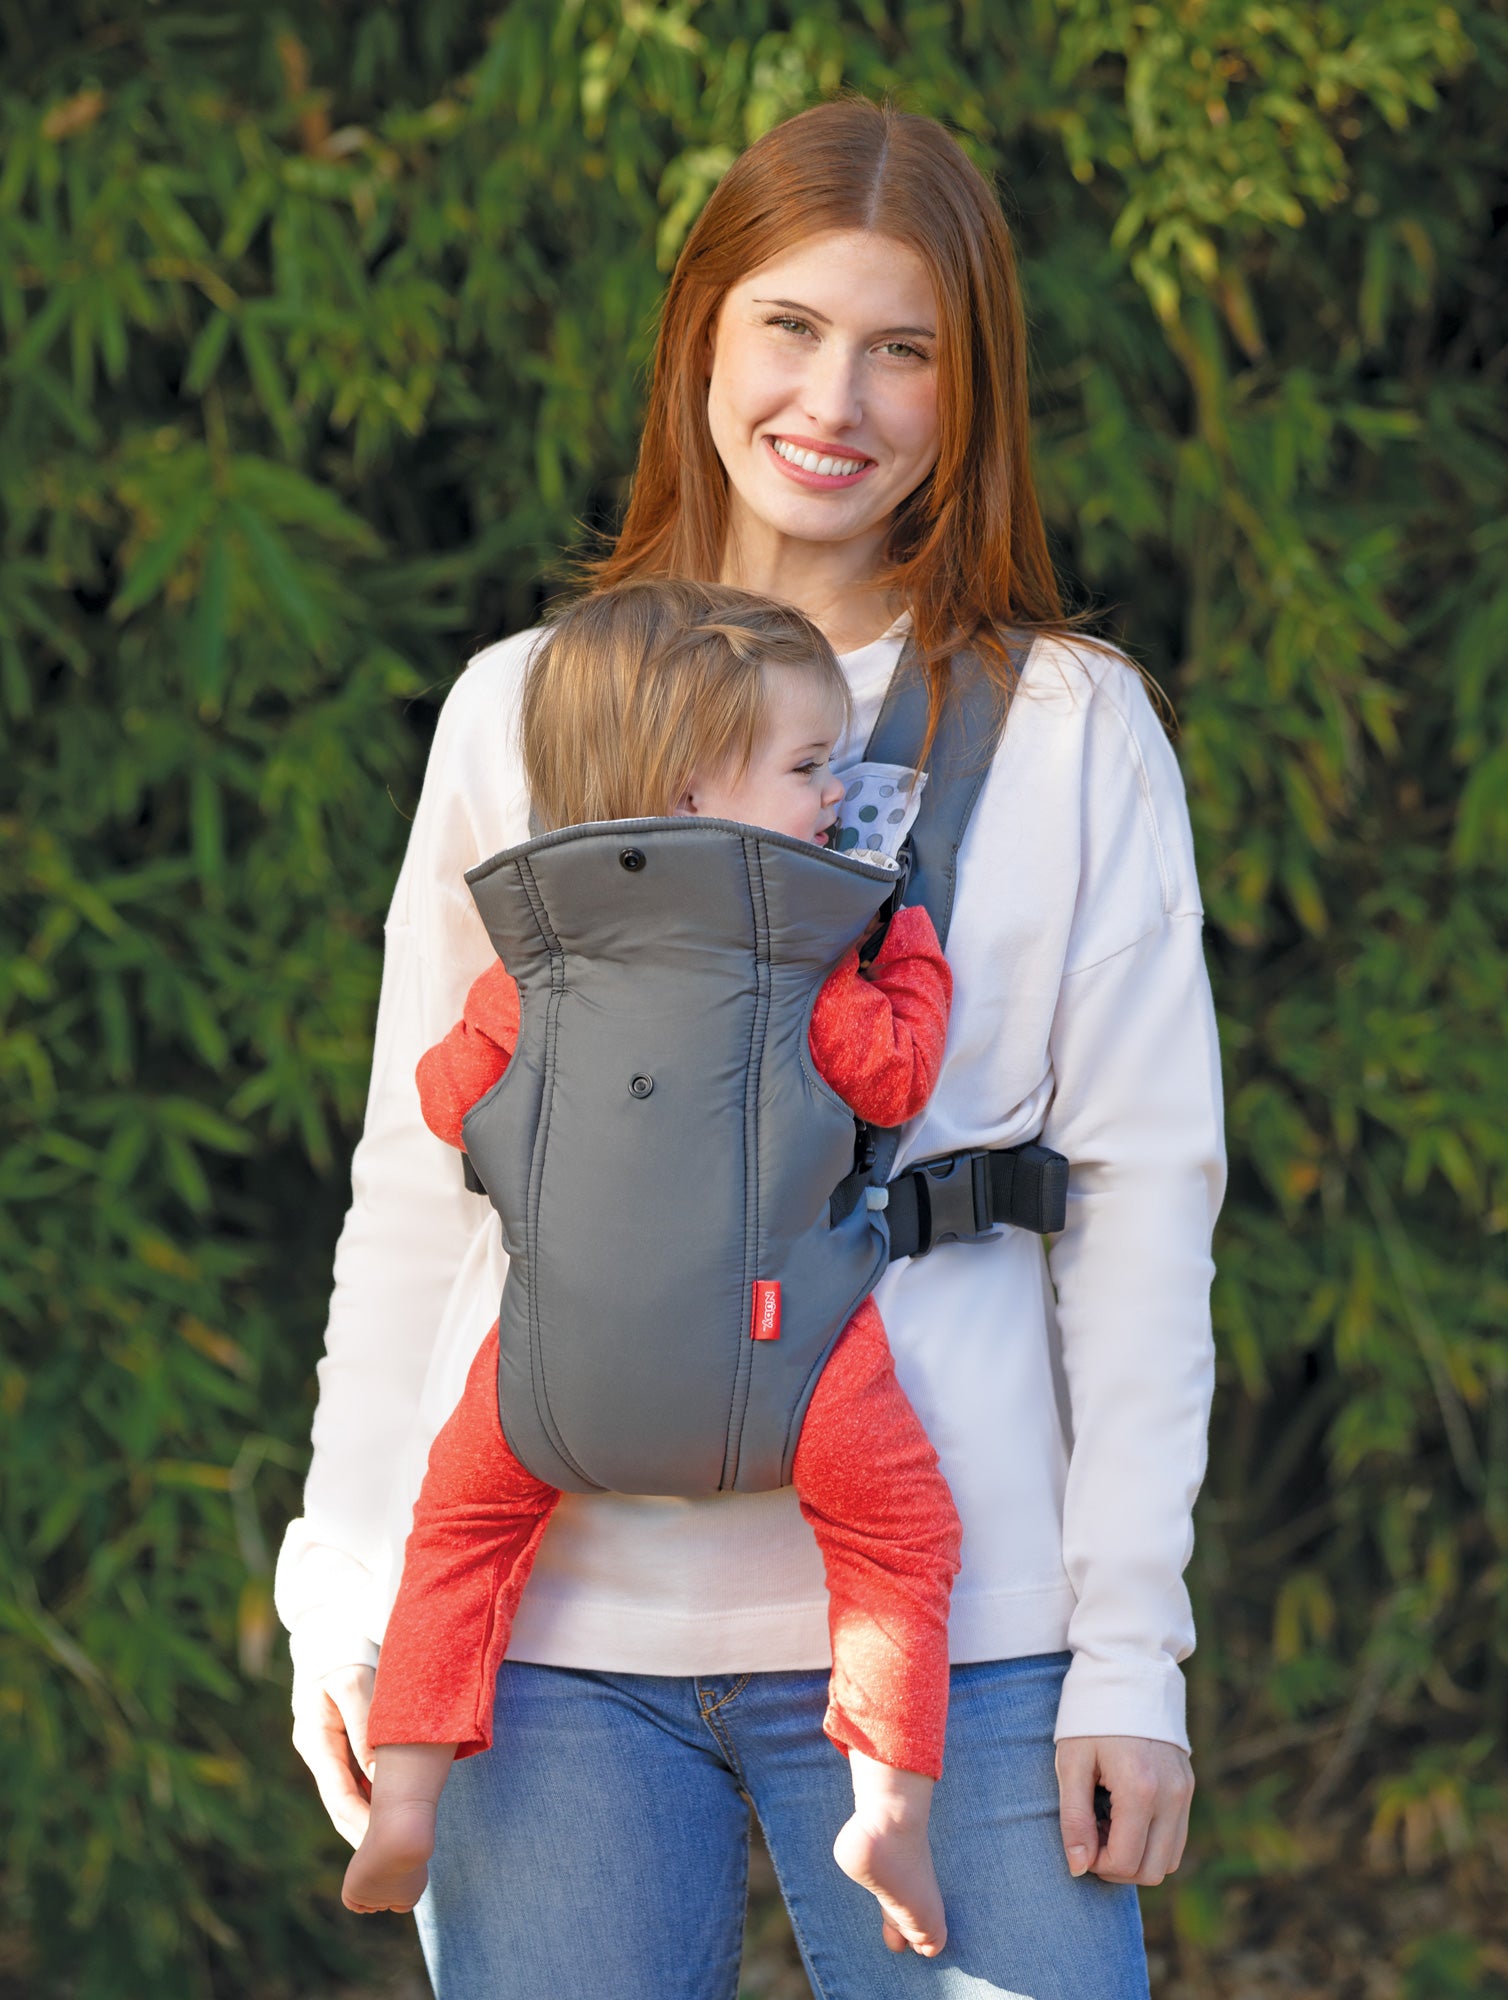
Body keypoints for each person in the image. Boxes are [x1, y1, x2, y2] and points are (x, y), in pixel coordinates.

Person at [278, 95, 1225, 1998]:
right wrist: (348, 1580)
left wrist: (1127, 1654)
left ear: (975, 395)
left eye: (905, 350)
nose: (838, 399)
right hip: (542, 1645)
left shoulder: (1065, 728)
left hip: (958, 1643)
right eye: (789, 326)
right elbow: (418, 1182)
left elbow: (1137, 1205)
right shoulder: (521, 709)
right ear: (701, 333)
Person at [341, 580, 962, 1958]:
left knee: (457, 1544)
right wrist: (904, 953)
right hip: (790, 1369)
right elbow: (895, 1075)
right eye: (810, 769)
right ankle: (888, 1801)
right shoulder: (808, 963)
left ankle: (408, 1792)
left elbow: (453, 1100)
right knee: (897, 1539)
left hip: (549, 1372)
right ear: (696, 786)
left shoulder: (534, 970)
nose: (833, 797)